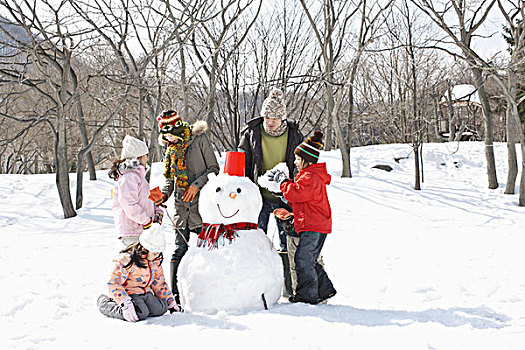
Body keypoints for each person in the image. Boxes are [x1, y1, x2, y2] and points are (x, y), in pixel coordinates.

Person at [149, 109, 219, 306]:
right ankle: (175, 297)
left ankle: (212, 291)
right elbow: (170, 180)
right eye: (165, 136)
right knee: (179, 249)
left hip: (201, 207)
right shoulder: (170, 149)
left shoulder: (199, 139)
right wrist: (163, 194)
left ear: (178, 128)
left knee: (208, 249)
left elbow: (214, 169)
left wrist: (196, 186)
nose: (168, 138)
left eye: (170, 133)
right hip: (181, 208)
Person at [267, 131, 336, 304]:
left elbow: (295, 193)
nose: (296, 163)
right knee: (309, 260)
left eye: (298, 159)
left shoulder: (310, 176)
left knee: (303, 260)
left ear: (307, 160)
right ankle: (324, 290)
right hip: (316, 224)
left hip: (313, 226)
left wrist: (283, 181)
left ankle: (307, 297)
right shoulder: (310, 176)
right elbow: (301, 200)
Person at [238, 88, 303, 251]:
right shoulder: (251, 133)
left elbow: (302, 166)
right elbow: (243, 164)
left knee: (287, 242)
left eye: (275, 118)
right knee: (256, 242)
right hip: (258, 196)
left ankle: (287, 274)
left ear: (282, 118)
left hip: (285, 197)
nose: (270, 121)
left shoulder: (294, 135)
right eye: (267, 117)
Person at [97, 226, 180, 322]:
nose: (156, 256)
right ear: (145, 249)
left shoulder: (155, 262)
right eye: (154, 253)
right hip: (129, 294)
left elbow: (159, 284)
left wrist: (170, 301)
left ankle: (142, 306)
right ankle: (104, 302)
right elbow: (113, 283)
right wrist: (125, 302)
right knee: (140, 313)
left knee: (161, 308)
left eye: (158, 253)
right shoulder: (127, 260)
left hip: (145, 293)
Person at [108, 135, 163, 248]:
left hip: (142, 230)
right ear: (139, 157)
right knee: (135, 264)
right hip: (133, 232)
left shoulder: (138, 176)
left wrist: (157, 212)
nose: (147, 158)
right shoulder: (129, 177)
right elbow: (128, 204)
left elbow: (145, 200)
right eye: (145, 155)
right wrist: (146, 221)